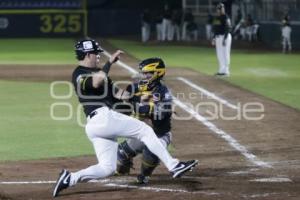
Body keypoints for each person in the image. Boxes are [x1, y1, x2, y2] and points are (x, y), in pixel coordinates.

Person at [52, 38, 198, 197]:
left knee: (107, 168)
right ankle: (174, 166)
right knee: (145, 130)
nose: (99, 56)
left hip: (99, 126)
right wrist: (110, 63)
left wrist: (139, 98)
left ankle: (70, 178)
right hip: (102, 118)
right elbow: (95, 82)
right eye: (96, 53)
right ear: (87, 55)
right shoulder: (79, 73)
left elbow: (118, 94)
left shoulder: (101, 74)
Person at [116, 57, 174, 184]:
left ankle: (145, 175)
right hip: (141, 134)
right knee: (120, 156)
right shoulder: (135, 87)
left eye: (149, 73)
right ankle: (123, 168)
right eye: (144, 73)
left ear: (158, 73)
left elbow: (158, 113)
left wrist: (137, 105)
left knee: (151, 153)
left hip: (159, 134)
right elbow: (120, 100)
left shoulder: (164, 92)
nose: (145, 75)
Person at [212, 3, 232, 76]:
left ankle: (226, 71)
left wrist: (225, 38)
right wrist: (214, 38)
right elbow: (215, 29)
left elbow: (228, 28)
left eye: (220, 8)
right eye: (219, 8)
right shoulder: (217, 18)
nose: (219, 10)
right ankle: (221, 70)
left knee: (225, 53)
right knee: (219, 54)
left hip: (225, 36)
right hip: (218, 37)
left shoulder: (226, 17)